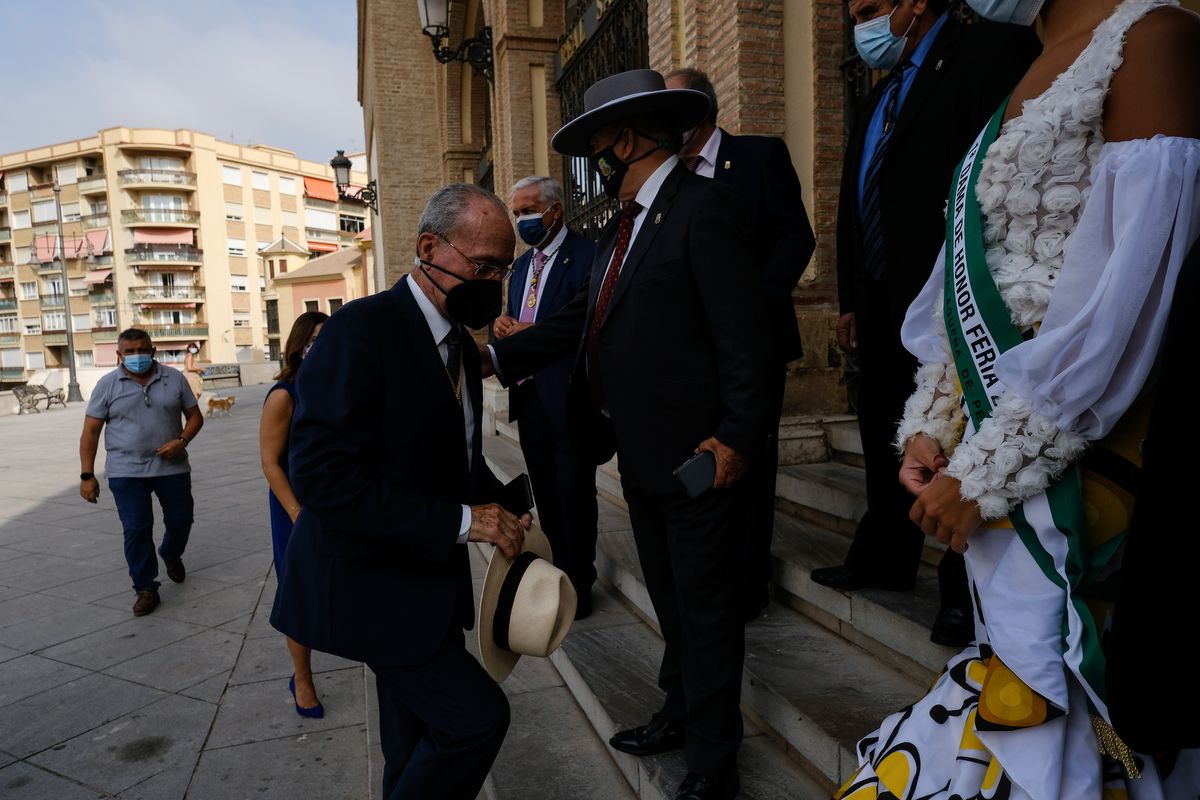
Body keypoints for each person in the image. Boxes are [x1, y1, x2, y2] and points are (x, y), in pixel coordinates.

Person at [841, 1, 1200, 797]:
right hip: (997, 453)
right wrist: (933, 425)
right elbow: (981, 273)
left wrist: (990, 473)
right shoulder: (1022, 58)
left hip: (1089, 463)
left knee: (1078, 717)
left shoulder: (1152, 37)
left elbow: (1132, 296)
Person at [487, 69, 772, 800]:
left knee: (707, 615)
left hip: (701, 458)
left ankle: (714, 761)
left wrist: (736, 439)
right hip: (645, 459)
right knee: (675, 606)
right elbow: (572, 323)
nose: (583, 168)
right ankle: (680, 714)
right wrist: (485, 355)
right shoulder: (619, 228)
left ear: (622, 140)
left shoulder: (704, 210)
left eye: (589, 148)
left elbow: (750, 339)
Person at [270, 183, 532, 800]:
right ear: (428, 248)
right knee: (477, 720)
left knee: (412, 742)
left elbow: (452, 462)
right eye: (483, 266)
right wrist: (465, 521)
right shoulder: (361, 331)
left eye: (504, 269)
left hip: (426, 590)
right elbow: (323, 475)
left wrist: (511, 503)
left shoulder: (461, 350)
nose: (494, 281)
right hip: (369, 587)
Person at [810, 0, 1040, 648]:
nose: (862, 26)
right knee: (884, 418)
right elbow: (857, 199)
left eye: (873, 9)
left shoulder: (988, 53)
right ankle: (883, 552)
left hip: (950, 288)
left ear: (915, 2)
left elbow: (1000, 172)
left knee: (955, 430)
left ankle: (960, 589)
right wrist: (850, 293)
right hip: (882, 294)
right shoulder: (883, 92)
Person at [664, 67, 817, 620]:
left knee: (750, 461)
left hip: (753, 346)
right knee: (706, 464)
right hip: (694, 355)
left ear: (701, 111)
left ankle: (749, 585)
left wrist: (751, 304)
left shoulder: (758, 157)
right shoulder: (668, 176)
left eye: (671, 107)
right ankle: (714, 576)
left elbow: (796, 237)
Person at [492, 175, 599, 617]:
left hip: (569, 394)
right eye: (517, 212)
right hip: (529, 394)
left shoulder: (588, 257)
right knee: (548, 496)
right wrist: (502, 325)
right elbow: (516, 316)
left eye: (529, 210)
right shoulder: (521, 267)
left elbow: (591, 323)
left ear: (555, 210)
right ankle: (558, 577)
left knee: (575, 493)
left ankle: (581, 584)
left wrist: (536, 334)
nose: (523, 220)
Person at [79, 329, 204, 617]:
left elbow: (195, 416)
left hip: (172, 467)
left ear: (153, 350)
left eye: (142, 350)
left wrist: (182, 440)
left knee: (182, 519)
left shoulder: (174, 379)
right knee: (136, 528)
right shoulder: (107, 385)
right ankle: (146, 588)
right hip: (126, 470)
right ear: (119, 355)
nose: (137, 356)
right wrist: (87, 475)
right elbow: (91, 431)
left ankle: (171, 552)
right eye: (130, 352)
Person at [258, 310, 328, 718]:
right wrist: (297, 514)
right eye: (316, 338)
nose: (322, 345)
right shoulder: (284, 394)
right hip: (295, 506)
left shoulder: (336, 387)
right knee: (298, 590)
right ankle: (302, 677)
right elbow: (270, 463)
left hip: (335, 502)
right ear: (300, 346)